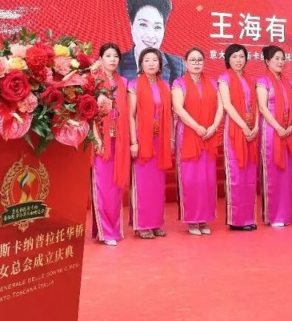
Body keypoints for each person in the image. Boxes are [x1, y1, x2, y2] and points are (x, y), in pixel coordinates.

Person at [171, 48, 223, 235]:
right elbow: (178, 108)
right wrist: (197, 127)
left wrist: (214, 126)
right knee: (191, 179)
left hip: (209, 135)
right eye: (192, 60)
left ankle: (204, 219)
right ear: (185, 63)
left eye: (199, 60)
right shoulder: (179, 83)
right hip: (189, 135)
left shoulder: (212, 83)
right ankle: (192, 220)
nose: (196, 63)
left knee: (207, 179)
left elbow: (220, 107)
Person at [127, 48, 173, 239]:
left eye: (155, 60)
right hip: (142, 140)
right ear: (141, 64)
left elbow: (169, 115)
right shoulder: (134, 85)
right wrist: (133, 142)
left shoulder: (165, 86)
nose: (151, 63)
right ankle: (142, 224)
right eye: (147, 60)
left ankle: (155, 223)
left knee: (157, 185)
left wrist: (170, 139)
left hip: (159, 140)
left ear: (160, 64)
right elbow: (130, 115)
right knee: (143, 183)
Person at [91, 43, 130, 246]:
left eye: (115, 56)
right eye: (108, 55)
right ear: (100, 59)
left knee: (115, 188)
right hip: (102, 141)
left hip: (119, 141)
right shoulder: (94, 82)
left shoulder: (122, 82)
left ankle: (113, 229)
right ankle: (106, 232)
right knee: (103, 187)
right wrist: (96, 138)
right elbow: (89, 113)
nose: (113, 59)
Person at [218, 44, 259, 231]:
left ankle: (248, 218)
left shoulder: (250, 80)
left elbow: (256, 106)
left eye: (241, 56)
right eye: (234, 56)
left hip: (251, 131)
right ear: (228, 59)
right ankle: (236, 220)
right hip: (235, 130)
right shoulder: (224, 79)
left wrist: (255, 126)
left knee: (249, 177)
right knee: (236, 176)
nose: (238, 60)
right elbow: (227, 105)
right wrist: (243, 126)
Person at [256, 45, 292, 227]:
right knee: (272, 171)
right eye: (277, 59)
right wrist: (278, 127)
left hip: (287, 131)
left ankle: (285, 214)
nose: (281, 62)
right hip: (271, 131)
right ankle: (273, 215)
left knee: (286, 174)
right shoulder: (263, 81)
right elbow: (263, 108)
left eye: (282, 58)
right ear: (267, 61)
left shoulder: (286, 81)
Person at [117, 0, 185, 84]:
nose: (150, 35)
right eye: (143, 25)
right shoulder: (117, 64)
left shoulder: (177, 66)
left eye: (157, 27)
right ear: (131, 26)